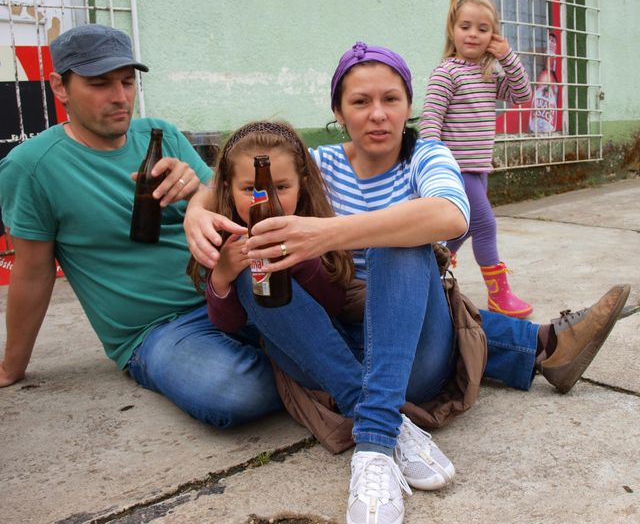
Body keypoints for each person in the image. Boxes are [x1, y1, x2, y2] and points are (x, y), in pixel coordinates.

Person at [185, 41, 630, 524]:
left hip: (408, 345)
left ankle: (374, 440)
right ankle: (537, 350)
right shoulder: (315, 165)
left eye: (390, 99)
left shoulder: (427, 155)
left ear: (409, 105)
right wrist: (196, 211)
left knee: (399, 240)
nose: (377, 114)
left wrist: (326, 234)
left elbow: (451, 215)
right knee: (256, 264)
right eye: (360, 101)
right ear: (338, 111)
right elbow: (241, 171)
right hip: (326, 351)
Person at [0, 24, 283, 429]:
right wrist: (12, 366)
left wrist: (198, 191)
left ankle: (309, 369)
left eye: (127, 82)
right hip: (157, 329)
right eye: (100, 84)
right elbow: (32, 272)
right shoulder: (31, 167)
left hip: (229, 291)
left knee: (337, 320)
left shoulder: (161, 135)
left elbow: (231, 216)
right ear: (60, 87)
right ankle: (310, 374)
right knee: (234, 391)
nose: (120, 97)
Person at [419, 0, 534, 318]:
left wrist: (507, 57)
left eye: (483, 29)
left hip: (479, 168)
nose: (473, 34)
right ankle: (499, 295)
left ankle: (428, 273)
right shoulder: (447, 73)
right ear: (452, 30)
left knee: (465, 226)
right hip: (455, 169)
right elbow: (431, 121)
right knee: (485, 225)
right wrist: (432, 164)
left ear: (492, 36)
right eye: (465, 26)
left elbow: (522, 94)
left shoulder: (489, 74)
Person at [186, 120, 354, 332]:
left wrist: (301, 259)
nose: (267, 201)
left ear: (301, 187)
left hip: (312, 336)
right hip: (252, 339)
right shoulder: (224, 237)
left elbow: (334, 307)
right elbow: (228, 325)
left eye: (281, 187)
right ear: (229, 190)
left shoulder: (315, 229)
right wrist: (221, 276)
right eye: (251, 189)